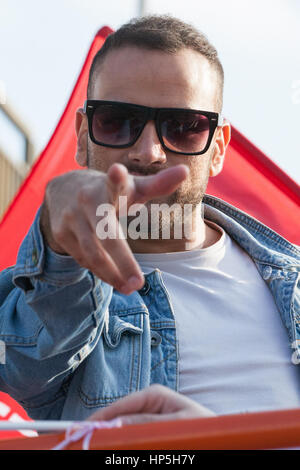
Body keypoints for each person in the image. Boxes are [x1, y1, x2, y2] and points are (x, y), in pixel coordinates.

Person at [0, 15, 299, 425]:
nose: (149, 152)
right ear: (83, 136)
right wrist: (57, 237)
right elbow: (26, 363)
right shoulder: (58, 290)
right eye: (117, 121)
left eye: (183, 127)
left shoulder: (292, 283)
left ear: (218, 148)